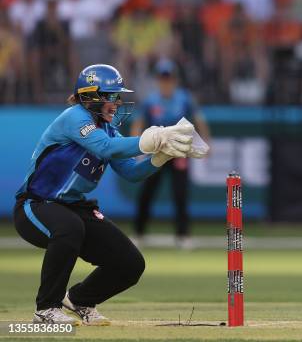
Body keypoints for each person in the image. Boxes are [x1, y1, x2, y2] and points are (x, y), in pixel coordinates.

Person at [13, 64, 201, 325]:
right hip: (36, 204)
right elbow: (105, 147)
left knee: (130, 263)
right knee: (69, 228)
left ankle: (80, 299)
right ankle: (46, 309)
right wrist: (151, 139)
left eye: (117, 96)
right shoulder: (74, 117)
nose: (116, 102)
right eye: (110, 96)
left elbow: (132, 173)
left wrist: (163, 155)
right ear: (90, 96)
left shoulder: (109, 129)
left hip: (74, 208)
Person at [130, 59, 211, 249]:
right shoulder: (151, 101)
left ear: (175, 80)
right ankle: (139, 233)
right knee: (146, 194)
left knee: (180, 194)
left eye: (169, 78)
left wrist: (208, 142)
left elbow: (199, 120)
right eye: (163, 78)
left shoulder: (184, 98)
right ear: (158, 80)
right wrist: (136, 148)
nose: (166, 82)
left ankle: (183, 236)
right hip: (156, 153)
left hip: (178, 154)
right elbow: (138, 124)